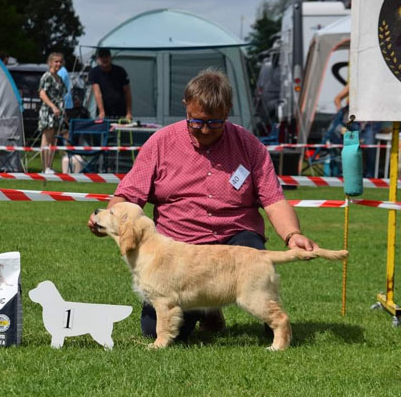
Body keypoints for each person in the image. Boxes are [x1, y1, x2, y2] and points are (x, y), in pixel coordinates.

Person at [87, 68, 319, 341]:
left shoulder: (250, 146)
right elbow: (127, 196)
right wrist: (107, 220)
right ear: (186, 106)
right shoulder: (160, 143)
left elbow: (274, 200)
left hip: (237, 237)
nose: (205, 130)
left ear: (228, 110)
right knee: (153, 331)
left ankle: (269, 325)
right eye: (196, 122)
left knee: (256, 273)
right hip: (180, 247)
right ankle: (210, 308)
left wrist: (293, 235)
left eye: (214, 122)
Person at [334, 83, 381, 178]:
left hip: (368, 123)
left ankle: (369, 176)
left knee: (369, 149)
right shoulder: (353, 84)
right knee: (352, 149)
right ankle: (351, 174)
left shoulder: (374, 85)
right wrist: (340, 113)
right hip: (353, 122)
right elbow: (337, 99)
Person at [38, 52, 67, 174]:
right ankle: (45, 168)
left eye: (60, 62)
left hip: (58, 114)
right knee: (46, 139)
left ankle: (49, 166)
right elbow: (42, 93)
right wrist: (53, 106)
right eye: (56, 61)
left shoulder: (59, 78)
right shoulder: (47, 76)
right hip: (48, 112)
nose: (58, 64)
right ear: (50, 62)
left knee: (54, 141)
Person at [88, 48, 132, 121]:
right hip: (104, 112)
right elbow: (97, 93)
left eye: (106, 57)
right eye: (102, 57)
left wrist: (129, 112)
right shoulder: (94, 72)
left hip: (121, 110)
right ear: (98, 59)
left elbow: (127, 92)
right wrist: (102, 112)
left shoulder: (120, 71)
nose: (104, 59)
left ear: (110, 57)